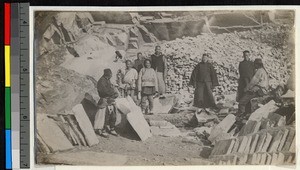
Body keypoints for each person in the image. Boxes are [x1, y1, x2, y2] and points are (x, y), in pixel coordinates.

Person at [94, 68, 119, 138]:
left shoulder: (107, 80)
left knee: (113, 115)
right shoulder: (101, 81)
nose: (111, 75)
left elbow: (111, 87)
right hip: (104, 100)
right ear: (107, 74)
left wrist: (114, 91)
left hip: (110, 99)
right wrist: (113, 93)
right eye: (110, 74)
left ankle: (112, 128)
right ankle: (103, 130)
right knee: (105, 116)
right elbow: (104, 92)